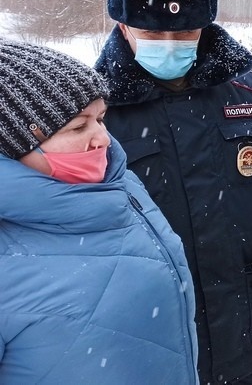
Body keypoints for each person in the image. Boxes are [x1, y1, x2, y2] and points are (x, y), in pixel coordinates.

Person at [94, 0, 252, 384]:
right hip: (157, 346)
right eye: (153, 31)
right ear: (122, 26)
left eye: (186, 31)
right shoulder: (95, 111)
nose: (171, 41)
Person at [0, 39, 198, 384]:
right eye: (78, 127)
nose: (103, 139)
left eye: (101, 119)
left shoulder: (119, 183)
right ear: (11, 144)